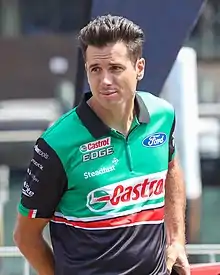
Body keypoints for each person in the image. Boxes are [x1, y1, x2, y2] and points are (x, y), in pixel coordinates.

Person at [13, 14, 190, 275]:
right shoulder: (57, 144)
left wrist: (176, 240)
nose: (105, 80)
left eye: (115, 68)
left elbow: (171, 168)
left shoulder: (162, 115)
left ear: (139, 68)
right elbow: (25, 237)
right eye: (95, 69)